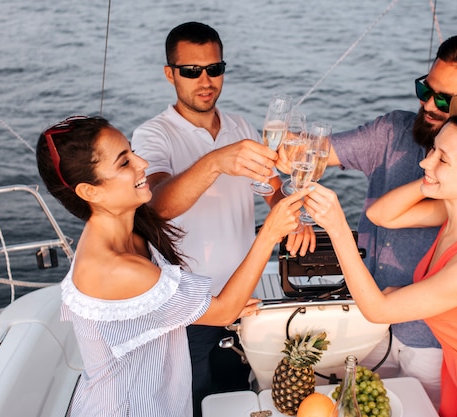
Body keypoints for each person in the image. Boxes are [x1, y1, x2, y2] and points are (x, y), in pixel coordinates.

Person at [278, 32, 457, 406]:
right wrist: (283, 160)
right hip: (375, 325)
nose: (428, 104)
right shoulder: (398, 136)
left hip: (443, 355)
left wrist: (337, 224)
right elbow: (375, 209)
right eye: (426, 88)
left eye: (445, 99)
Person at [36, 116, 305, 417]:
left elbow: (148, 311)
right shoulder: (117, 267)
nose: (142, 163)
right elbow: (225, 310)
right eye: (124, 162)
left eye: (132, 152)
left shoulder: (128, 229)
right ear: (89, 192)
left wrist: (204, 306)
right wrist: (270, 232)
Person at [303, 96, 457, 417]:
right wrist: (432, 179)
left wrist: (337, 229)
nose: (424, 162)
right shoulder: (455, 213)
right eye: (433, 150)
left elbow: (378, 309)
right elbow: (381, 214)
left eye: (444, 159)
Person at [131, 21, 315, 414]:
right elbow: (157, 205)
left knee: (236, 398)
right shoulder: (153, 135)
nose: (205, 80)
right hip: (187, 309)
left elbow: (269, 186)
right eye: (191, 70)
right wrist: (216, 161)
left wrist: (292, 214)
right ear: (170, 74)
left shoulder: (240, 127)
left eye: (214, 69)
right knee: (192, 402)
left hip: (243, 299)